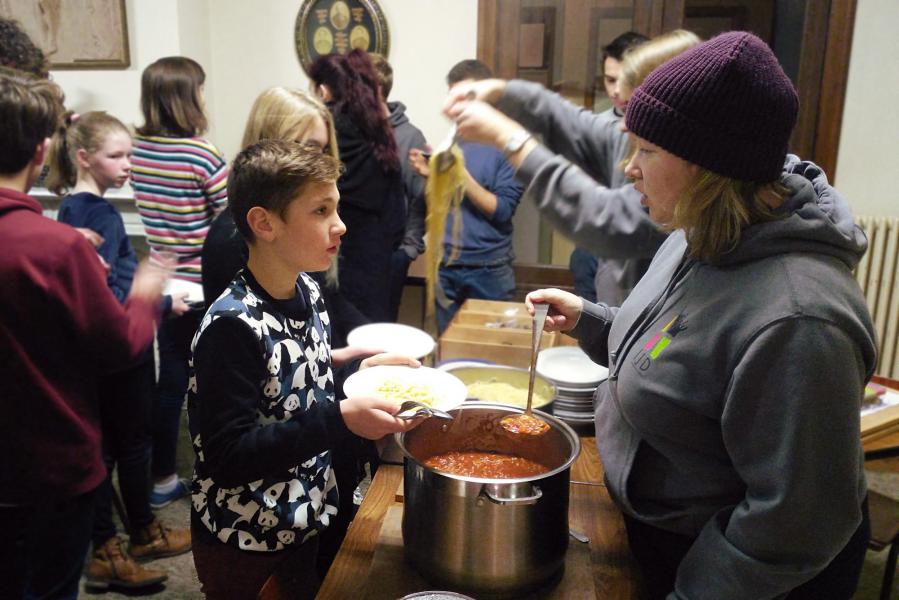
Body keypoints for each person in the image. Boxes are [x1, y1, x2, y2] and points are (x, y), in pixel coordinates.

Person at [447, 31, 876, 598]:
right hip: (654, 536)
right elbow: (676, 344)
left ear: (709, 167)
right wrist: (592, 319)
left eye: (646, 151)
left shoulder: (800, 321)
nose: (628, 169)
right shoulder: (696, 232)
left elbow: (792, 526)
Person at [187, 139, 422, 599]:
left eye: (336, 208)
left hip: (303, 516)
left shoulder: (308, 289)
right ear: (264, 223)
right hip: (248, 538)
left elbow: (291, 384)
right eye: (320, 211)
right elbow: (227, 456)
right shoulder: (232, 326)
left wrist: (354, 367)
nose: (340, 225)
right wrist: (341, 417)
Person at [0, 67, 167, 600]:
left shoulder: (59, 239)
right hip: (50, 466)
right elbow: (118, 346)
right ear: (43, 151)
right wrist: (145, 291)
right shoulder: (58, 249)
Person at [46, 110, 192, 591]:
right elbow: (113, 294)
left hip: (94, 356)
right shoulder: (102, 215)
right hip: (121, 352)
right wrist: (161, 297)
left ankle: (108, 541)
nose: (128, 164)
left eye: (129, 153)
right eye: (117, 155)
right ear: (85, 157)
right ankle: (139, 536)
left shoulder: (69, 208)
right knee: (133, 444)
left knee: (106, 446)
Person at [201, 86, 369, 350]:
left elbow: (329, 301)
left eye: (324, 150)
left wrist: (371, 346)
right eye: (309, 148)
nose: (319, 161)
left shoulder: (304, 223)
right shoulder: (230, 241)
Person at [131, 55, 228, 508]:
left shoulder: (138, 149)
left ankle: (162, 476)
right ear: (186, 97)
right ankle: (218, 472)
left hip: (163, 282)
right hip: (201, 284)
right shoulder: (200, 154)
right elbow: (229, 222)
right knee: (211, 381)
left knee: (168, 381)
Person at [409, 59, 524, 333]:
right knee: (448, 352)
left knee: (489, 356)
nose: (455, 104)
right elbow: (445, 205)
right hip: (447, 265)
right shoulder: (454, 138)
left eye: (464, 96)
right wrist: (432, 176)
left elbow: (502, 210)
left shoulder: (509, 142)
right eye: (451, 94)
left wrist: (459, 176)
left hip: (488, 269)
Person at [308, 49, 406, 323]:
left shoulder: (322, 128)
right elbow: (397, 214)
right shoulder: (379, 130)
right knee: (371, 336)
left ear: (325, 89)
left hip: (329, 249)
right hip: (374, 253)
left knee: (334, 334)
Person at [571, 31, 648, 302]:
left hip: (636, 255)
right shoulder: (596, 125)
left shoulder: (662, 130)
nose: (616, 90)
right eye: (609, 80)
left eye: (623, 80)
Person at [369, 53, 428, 321]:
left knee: (382, 328)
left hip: (391, 256)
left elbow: (420, 199)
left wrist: (407, 251)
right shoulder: (344, 131)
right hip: (344, 255)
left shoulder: (409, 136)